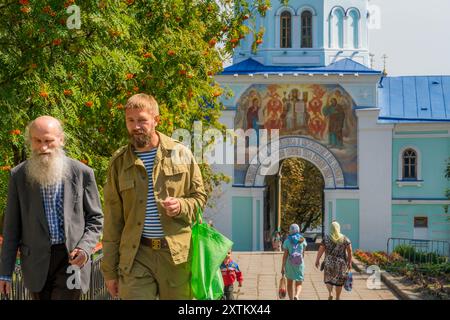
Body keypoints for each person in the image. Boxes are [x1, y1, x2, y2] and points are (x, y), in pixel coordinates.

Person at [101, 93, 207, 300]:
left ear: (156, 120)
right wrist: (109, 272)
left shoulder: (181, 153)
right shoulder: (119, 162)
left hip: (176, 255)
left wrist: (181, 205)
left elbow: (199, 197)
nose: (136, 126)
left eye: (142, 120)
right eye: (130, 121)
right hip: (136, 255)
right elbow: (113, 220)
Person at [0, 116, 103, 300]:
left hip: (72, 260)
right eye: (37, 141)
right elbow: (11, 229)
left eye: (48, 141)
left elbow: (95, 219)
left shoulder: (82, 173)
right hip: (35, 264)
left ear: (61, 140)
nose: (43, 147)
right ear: (30, 141)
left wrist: (85, 249)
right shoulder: (19, 176)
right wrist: (5, 273)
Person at [315, 221, 352, 300]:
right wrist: (350, 262)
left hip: (329, 262)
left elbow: (321, 250)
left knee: (328, 279)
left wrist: (317, 260)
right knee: (339, 282)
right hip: (341, 264)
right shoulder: (345, 238)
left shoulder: (326, 238)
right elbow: (350, 250)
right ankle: (337, 297)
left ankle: (330, 293)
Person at [281, 224, 307, 300]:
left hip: (289, 263)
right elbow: (303, 253)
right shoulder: (302, 240)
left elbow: (285, 256)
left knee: (289, 283)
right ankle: (297, 295)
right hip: (299, 263)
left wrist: (282, 267)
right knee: (299, 282)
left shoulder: (287, 241)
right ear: (298, 230)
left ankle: (291, 299)